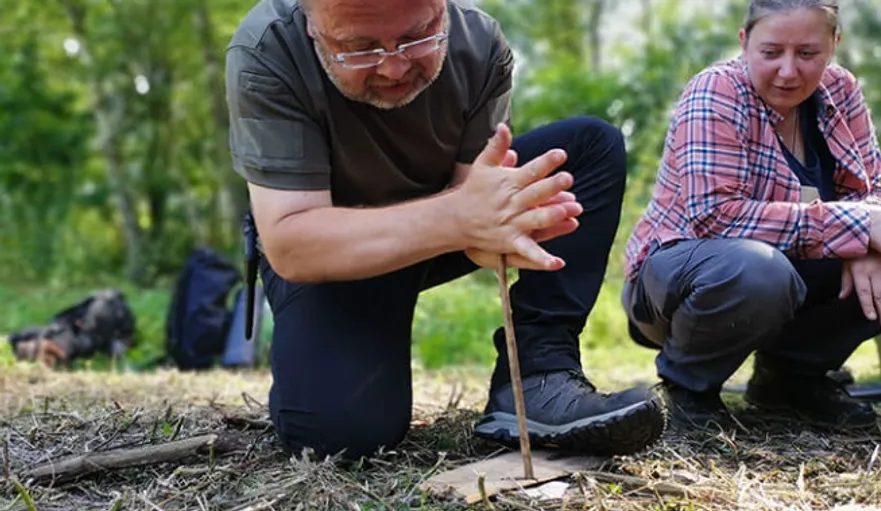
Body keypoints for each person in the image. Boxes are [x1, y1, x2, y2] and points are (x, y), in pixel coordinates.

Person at [225, 0, 666, 461]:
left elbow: (475, 198)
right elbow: (293, 245)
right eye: (359, 48)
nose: (394, 68)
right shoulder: (267, 49)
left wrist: (492, 229)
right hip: (332, 251)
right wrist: (462, 220)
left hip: (443, 218)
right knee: (340, 435)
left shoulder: (479, 41)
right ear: (313, 26)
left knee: (589, 148)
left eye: (419, 37)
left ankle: (538, 375)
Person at [622, 0, 881, 430]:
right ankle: (687, 388)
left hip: (790, 275)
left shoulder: (843, 91)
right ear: (745, 42)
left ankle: (791, 377)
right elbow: (716, 217)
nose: (789, 71)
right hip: (680, 284)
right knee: (760, 269)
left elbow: (865, 193)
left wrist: (871, 243)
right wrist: (863, 227)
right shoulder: (716, 90)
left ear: (834, 44)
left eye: (808, 54)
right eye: (771, 52)